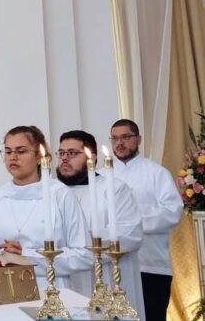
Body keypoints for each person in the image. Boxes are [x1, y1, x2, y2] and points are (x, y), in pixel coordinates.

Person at [0, 126, 92, 289]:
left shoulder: (59, 195)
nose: (13, 157)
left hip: (51, 288)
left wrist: (26, 256)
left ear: (38, 156)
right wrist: (2, 256)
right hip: (2, 287)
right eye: (8, 152)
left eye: (21, 151)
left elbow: (83, 254)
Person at [56, 130, 145, 320]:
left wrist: (82, 246)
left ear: (92, 157)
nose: (64, 159)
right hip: (67, 282)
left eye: (72, 153)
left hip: (109, 280)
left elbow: (130, 235)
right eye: (61, 153)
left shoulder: (113, 188)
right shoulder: (53, 193)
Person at [106, 119, 182, 321]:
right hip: (112, 266)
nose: (119, 143)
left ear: (138, 139)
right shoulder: (103, 176)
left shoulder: (157, 173)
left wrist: (132, 224)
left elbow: (172, 212)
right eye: (114, 138)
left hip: (150, 265)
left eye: (125, 137)